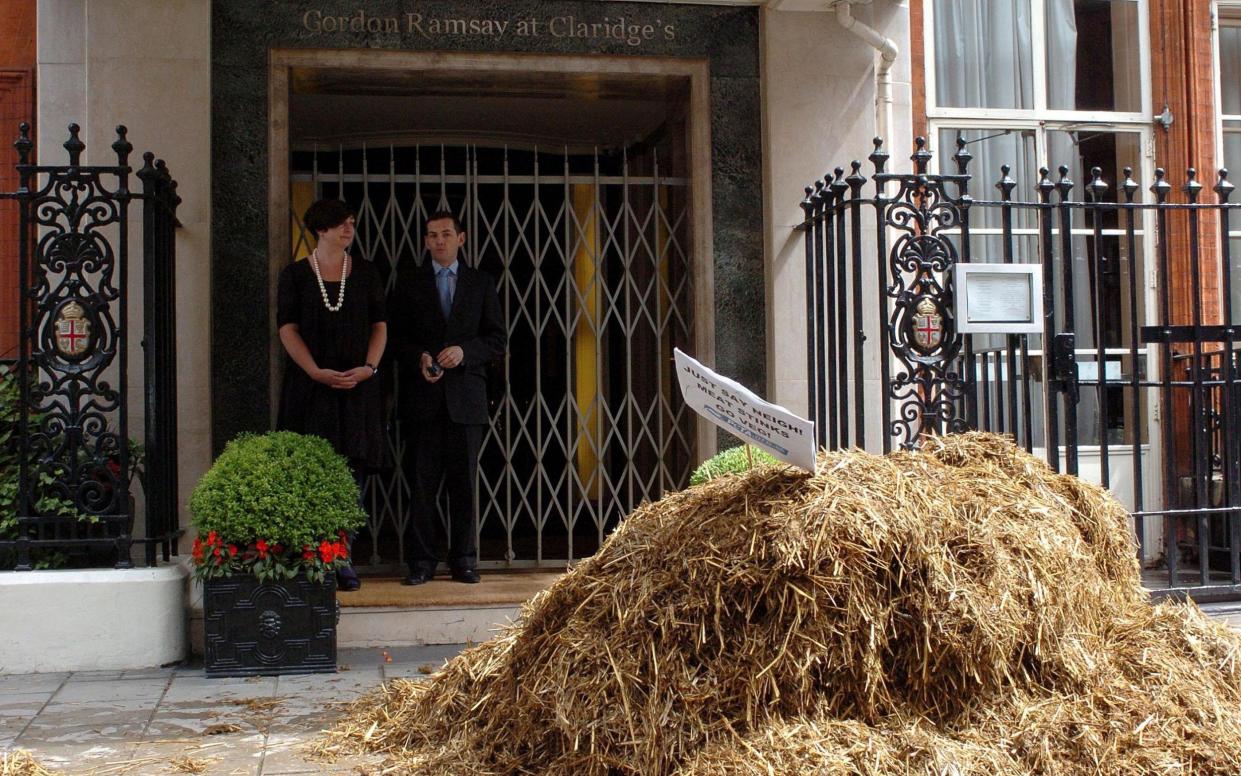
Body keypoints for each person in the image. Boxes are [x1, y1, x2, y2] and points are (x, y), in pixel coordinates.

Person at [276, 199, 388, 592]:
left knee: (352, 476)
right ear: (320, 229)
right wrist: (314, 372)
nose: (348, 228)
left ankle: (342, 556)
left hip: (356, 388)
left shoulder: (367, 272)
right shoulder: (294, 276)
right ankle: (314, 556)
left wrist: (370, 368)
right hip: (311, 391)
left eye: (351, 222)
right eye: (340, 223)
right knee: (311, 473)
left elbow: (379, 325)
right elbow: (287, 329)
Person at [393, 210, 505, 585]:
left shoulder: (480, 283)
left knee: (464, 485)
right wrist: (419, 357)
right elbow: (396, 338)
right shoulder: (409, 283)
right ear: (425, 241)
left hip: (466, 401)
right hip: (422, 402)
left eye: (445, 234)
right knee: (422, 485)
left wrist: (464, 353)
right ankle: (421, 562)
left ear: (461, 238)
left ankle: (464, 559)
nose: (438, 241)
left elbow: (496, 339)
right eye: (431, 235)